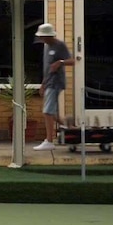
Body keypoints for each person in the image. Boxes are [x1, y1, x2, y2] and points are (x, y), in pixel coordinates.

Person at [32, 23, 73, 151]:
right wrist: (43, 84)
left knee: (47, 112)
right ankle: (71, 128)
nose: (42, 39)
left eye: (43, 37)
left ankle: (49, 141)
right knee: (53, 113)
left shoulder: (60, 45)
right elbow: (47, 68)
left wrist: (60, 62)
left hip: (56, 82)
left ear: (50, 36)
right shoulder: (46, 47)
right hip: (48, 82)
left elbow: (72, 61)